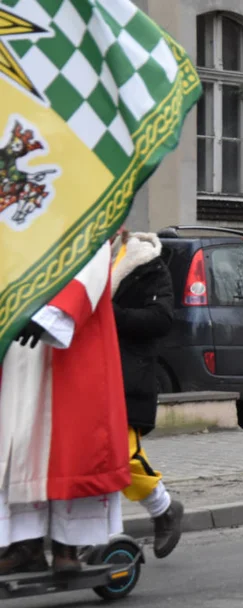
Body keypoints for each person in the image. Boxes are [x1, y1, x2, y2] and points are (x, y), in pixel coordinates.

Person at [0, 243, 129, 573]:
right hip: (17, 342)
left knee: (72, 448)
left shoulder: (88, 204)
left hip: (70, 343)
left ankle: (67, 546)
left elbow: (92, 263)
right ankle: (25, 544)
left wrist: (51, 316)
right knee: (19, 442)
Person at [110, 229, 185, 558]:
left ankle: (164, 508)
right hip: (91, 373)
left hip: (129, 375)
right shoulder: (82, 259)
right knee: (95, 458)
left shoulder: (146, 262)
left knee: (121, 456)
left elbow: (161, 318)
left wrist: (113, 318)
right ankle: (104, 536)